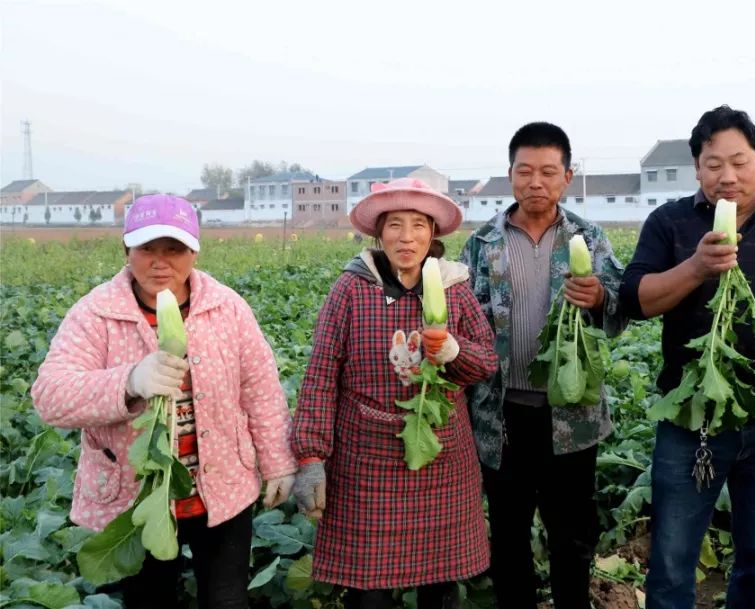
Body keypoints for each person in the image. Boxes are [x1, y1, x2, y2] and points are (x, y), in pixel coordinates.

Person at [31, 194, 296, 609]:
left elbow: (260, 388)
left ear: (193, 252)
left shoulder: (227, 308)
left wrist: (278, 461)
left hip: (222, 489)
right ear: (126, 251)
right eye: (146, 249)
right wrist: (130, 381)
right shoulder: (95, 314)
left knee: (226, 600)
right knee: (149, 600)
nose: (160, 261)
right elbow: (50, 396)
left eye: (173, 249)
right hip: (137, 499)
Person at [619, 106, 755, 609]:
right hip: (692, 419)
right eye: (713, 164)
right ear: (697, 168)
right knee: (672, 559)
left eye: (739, 161)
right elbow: (635, 299)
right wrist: (695, 267)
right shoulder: (668, 222)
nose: (727, 176)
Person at [291, 178, 498, 609]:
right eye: (395, 225)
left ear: (433, 234)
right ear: (378, 233)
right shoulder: (351, 288)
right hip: (365, 461)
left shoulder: (453, 286)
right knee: (370, 594)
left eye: (419, 225)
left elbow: (485, 363)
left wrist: (453, 350)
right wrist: (310, 457)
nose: (407, 237)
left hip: (442, 457)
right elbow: (321, 373)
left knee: (440, 586)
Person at [459, 121, 627, 609]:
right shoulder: (482, 243)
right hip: (500, 415)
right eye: (525, 171)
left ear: (567, 177)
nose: (536, 182)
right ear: (509, 174)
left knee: (571, 537)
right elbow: (464, 321)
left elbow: (619, 312)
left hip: (571, 415)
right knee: (508, 535)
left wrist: (599, 298)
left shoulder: (589, 239)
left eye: (548, 172)